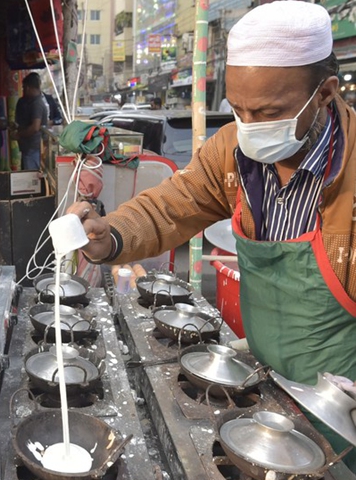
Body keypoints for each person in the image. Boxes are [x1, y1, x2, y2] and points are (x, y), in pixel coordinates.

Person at [66, 2, 356, 470]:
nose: (251, 126)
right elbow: (172, 206)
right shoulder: (232, 155)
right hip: (265, 390)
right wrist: (112, 234)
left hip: (340, 413)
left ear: (324, 93)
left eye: (269, 111)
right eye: (239, 109)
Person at [12, 72, 49, 170]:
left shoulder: (37, 104)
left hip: (33, 147)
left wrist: (19, 134)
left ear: (28, 87)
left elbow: (35, 127)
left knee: (31, 178)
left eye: (23, 88)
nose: (23, 90)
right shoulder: (27, 102)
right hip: (28, 147)